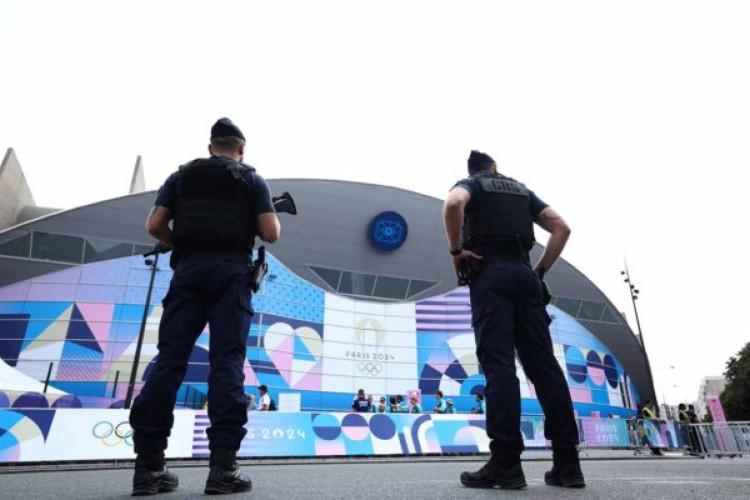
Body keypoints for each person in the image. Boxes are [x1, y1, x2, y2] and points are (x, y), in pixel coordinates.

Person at [129, 118, 280, 496]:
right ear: (241, 148)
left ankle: (149, 469)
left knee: (168, 362)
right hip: (230, 275)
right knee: (226, 363)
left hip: (188, 271)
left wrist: (181, 242)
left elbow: (154, 225)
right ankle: (223, 469)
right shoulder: (251, 180)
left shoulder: (181, 177)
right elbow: (271, 233)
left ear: (211, 146)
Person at [444, 151, 583, 489]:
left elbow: (452, 205)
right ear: (496, 168)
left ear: (474, 171)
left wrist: (456, 251)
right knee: (544, 367)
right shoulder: (522, 192)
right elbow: (562, 228)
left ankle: (506, 462)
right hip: (525, 276)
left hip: (491, 275)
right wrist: (540, 271)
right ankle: (567, 464)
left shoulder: (472, 185)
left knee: (499, 367)